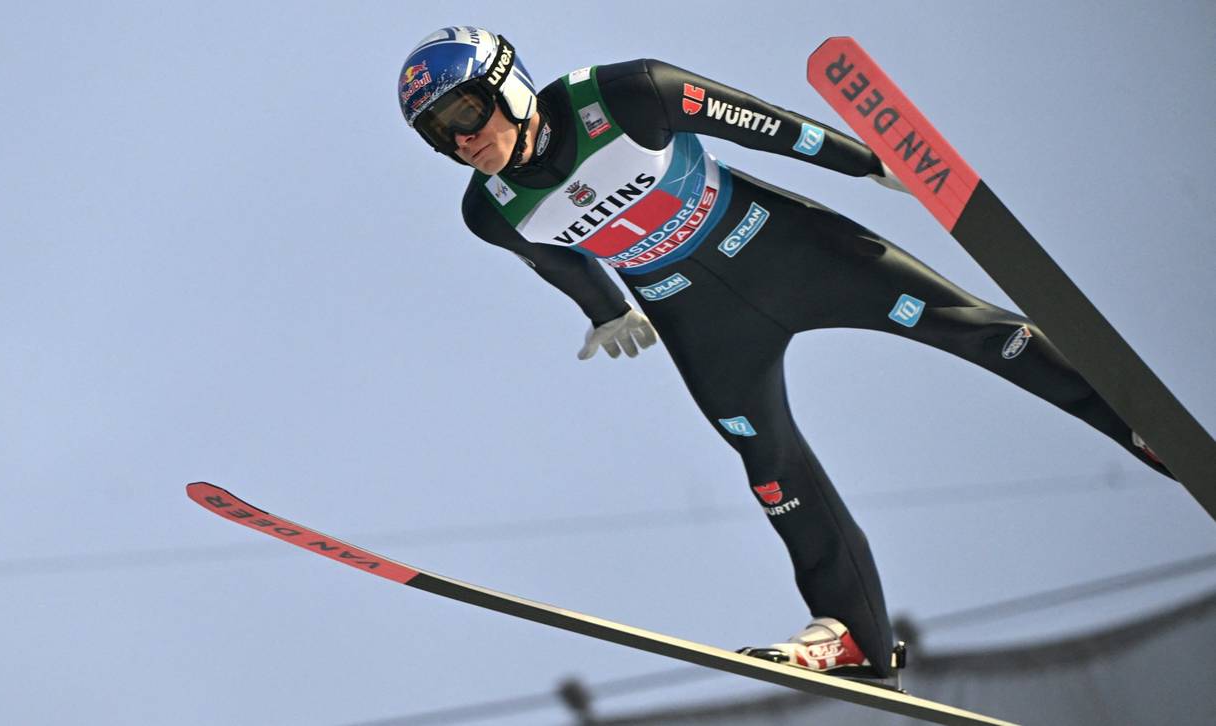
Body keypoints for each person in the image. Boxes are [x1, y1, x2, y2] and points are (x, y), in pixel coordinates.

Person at [396, 26, 1174, 678]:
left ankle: (1141, 429)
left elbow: (769, 126)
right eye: (439, 133)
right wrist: (605, 312)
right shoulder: (490, 212)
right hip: (699, 321)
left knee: (973, 329)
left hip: (790, 252)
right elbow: (555, 260)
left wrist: (868, 161)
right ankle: (855, 636)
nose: (462, 139)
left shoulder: (626, 93)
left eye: (464, 111)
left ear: (509, 85)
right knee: (769, 467)